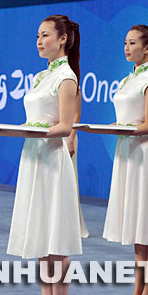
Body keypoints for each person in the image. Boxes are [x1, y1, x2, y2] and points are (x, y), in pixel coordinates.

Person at [0, 15, 82, 295]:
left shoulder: (67, 76)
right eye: (37, 35)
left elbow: (64, 126)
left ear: (63, 39)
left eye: (46, 35)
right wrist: (7, 132)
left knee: (56, 240)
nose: (39, 40)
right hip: (33, 158)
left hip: (52, 161)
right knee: (40, 237)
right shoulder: (40, 76)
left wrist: (24, 131)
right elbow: (32, 120)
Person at [78, 25, 148, 295]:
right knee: (137, 230)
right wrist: (103, 128)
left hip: (143, 159)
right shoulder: (126, 80)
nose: (126, 48)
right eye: (125, 43)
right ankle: (136, 292)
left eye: (132, 43)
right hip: (126, 157)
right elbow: (123, 121)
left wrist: (116, 130)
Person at [67, 88, 89, 238]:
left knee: (69, 182)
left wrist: (70, 139)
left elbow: (77, 115)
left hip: (67, 137)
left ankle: (72, 226)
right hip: (51, 136)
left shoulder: (73, 85)